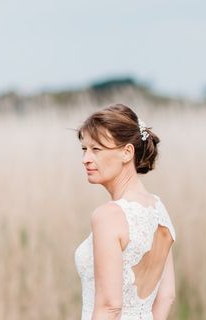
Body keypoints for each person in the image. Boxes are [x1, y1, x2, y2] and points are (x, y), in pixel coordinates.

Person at [74, 103, 177, 320]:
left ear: (127, 152)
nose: (86, 159)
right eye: (84, 149)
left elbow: (110, 306)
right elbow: (167, 295)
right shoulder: (158, 209)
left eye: (96, 149)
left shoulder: (108, 216)